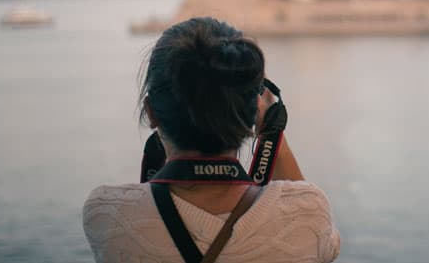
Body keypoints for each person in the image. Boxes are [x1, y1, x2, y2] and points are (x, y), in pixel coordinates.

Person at [83, 17, 340, 262]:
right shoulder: (308, 213)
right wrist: (272, 131)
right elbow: (325, 249)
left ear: (151, 112)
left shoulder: (108, 215)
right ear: (253, 113)